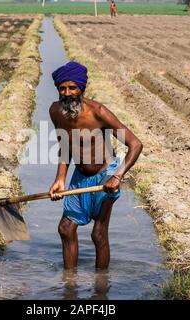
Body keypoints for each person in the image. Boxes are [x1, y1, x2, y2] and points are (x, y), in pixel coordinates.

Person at [48, 61, 143, 270]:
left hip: (105, 174)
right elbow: (65, 145)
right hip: (80, 176)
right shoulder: (55, 111)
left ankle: (100, 290)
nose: (67, 93)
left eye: (72, 87)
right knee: (65, 228)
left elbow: (135, 144)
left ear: (81, 88)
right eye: (62, 88)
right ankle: (69, 286)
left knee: (98, 233)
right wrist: (60, 178)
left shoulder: (98, 112)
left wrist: (117, 176)